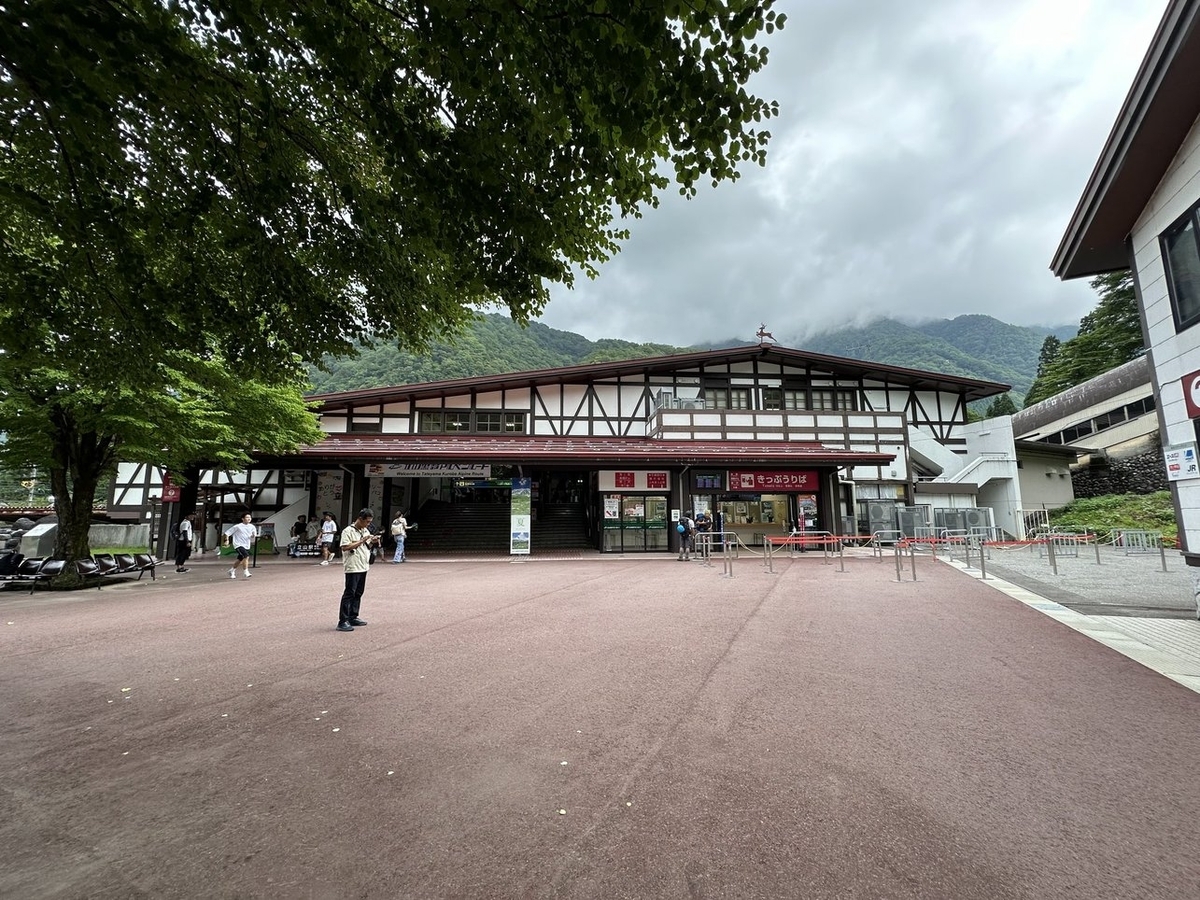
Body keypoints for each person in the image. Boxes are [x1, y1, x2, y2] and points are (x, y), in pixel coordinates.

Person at [336, 508, 380, 632]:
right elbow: (345, 547)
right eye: (367, 521)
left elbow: (367, 546)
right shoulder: (348, 531)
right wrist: (361, 540)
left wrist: (373, 541)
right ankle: (343, 620)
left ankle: (353, 616)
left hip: (363, 565)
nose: (368, 524)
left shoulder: (365, 530)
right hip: (353, 566)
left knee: (358, 592)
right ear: (360, 519)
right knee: (349, 593)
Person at [224, 512, 258, 579]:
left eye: (250, 517)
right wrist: (226, 540)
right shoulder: (237, 526)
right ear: (243, 519)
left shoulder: (252, 527)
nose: (249, 519)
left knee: (240, 559)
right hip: (238, 544)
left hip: (247, 545)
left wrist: (253, 535)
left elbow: (253, 536)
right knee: (246, 556)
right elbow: (227, 533)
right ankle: (246, 572)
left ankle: (232, 570)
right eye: (247, 517)